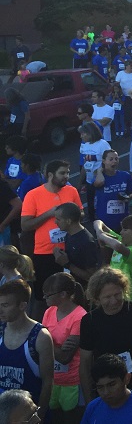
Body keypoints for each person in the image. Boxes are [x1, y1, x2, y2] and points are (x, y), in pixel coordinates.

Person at [79, 268, 132, 405]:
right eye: (107, 297)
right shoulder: (89, 321)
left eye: (117, 294)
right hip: (106, 393)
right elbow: (85, 363)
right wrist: (89, 401)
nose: (114, 301)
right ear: (97, 299)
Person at [20, 160, 81, 302]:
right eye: (62, 173)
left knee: (74, 292)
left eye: (67, 173)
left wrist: (67, 214)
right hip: (45, 253)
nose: (66, 176)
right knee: (46, 295)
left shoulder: (71, 191)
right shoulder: (33, 195)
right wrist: (49, 214)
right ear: (50, 175)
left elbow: (81, 213)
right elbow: (25, 225)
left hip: (72, 249)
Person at [0, 279, 53, 417]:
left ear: (22, 305)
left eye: (5, 305)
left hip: (28, 416)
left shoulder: (40, 337)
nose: (0, 310)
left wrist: (39, 415)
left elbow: (48, 382)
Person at [40, 272, 86, 424]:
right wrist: (55, 345)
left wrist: (47, 342)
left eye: (48, 295)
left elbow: (65, 358)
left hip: (72, 382)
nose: (44, 298)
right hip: (52, 379)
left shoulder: (79, 317)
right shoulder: (49, 311)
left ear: (63, 294)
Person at [82, 353, 132, 424]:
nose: (106, 392)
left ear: (127, 378)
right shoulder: (93, 407)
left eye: (111, 385)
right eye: (100, 387)